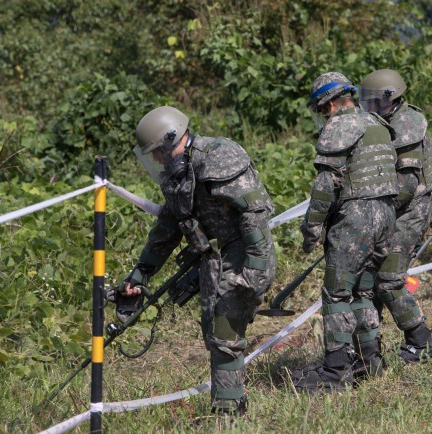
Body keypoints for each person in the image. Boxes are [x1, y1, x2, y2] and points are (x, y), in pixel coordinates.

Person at [117, 106, 276, 415]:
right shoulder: (176, 176)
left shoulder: (218, 156)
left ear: (173, 139)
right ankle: (232, 403)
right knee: (215, 335)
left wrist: (255, 271)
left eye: (159, 152)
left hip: (242, 252)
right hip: (212, 259)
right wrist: (140, 274)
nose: (159, 160)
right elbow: (167, 230)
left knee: (225, 333)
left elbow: (253, 214)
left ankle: (227, 413)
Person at [293, 71, 402, 391]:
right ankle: (372, 362)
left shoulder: (339, 126)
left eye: (320, 109)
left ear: (328, 105)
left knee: (337, 292)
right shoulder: (377, 124)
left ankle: (336, 370)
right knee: (363, 291)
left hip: (355, 218)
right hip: (385, 217)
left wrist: (312, 226)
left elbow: (326, 184)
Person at [358, 69, 432, 362]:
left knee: (389, 279)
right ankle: (368, 346)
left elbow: (405, 187)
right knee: (370, 277)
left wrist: (372, 211)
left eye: (369, 101)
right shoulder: (389, 120)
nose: (364, 107)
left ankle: (421, 341)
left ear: (387, 99)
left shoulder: (406, 126)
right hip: (392, 209)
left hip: (409, 211)